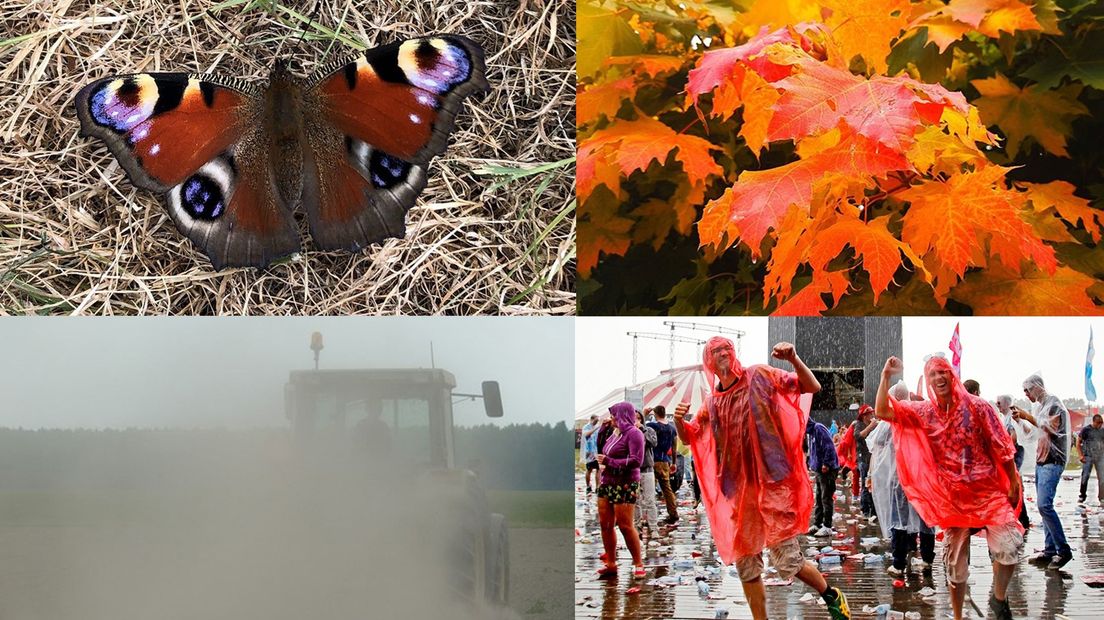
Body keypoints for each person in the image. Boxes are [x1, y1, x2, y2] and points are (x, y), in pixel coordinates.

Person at [673, 337, 851, 620]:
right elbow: (692, 437)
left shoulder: (760, 375)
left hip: (773, 484)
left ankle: (830, 594)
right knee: (747, 564)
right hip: (738, 491)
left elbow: (811, 387)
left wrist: (793, 359)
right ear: (709, 362)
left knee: (788, 561)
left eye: (727, 348)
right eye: (716, 351)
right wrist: (679, 422)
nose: (724, 353)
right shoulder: (712, 403)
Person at [875, 354, 1021, 620]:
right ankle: (956, 616)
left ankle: (998, 600)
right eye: (933, 374)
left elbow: (1002, 444)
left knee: (1009, 547)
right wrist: (886, 376)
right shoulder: (926, 412)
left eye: (943, 372)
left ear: (952, 375)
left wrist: (1012, 480)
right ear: (928, 381)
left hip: (988, 492)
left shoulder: (979, 407)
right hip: (953, 498)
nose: (939, 378)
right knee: (954, 565)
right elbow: (883, 411)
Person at [869, 380, 935, 577]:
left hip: (902, 475)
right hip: (923, 475)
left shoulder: (894, 416)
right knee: (925, 518)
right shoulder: (920, 413)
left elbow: (877, 442)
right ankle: (926, 559)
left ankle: (898, 562)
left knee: (899, 517)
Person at [1017, 373, 1073, 569]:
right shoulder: (1040, 407)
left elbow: (1051, 427)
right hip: (1042, 461)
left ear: (1038, 387)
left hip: (1053, 460)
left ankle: (1063, 551)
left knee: (1044, 505)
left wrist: (1028, 416)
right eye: (1024, 391)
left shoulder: (1054, 404)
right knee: (1043, 507)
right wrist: (1021, 420)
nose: (1026, 394)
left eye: (1028, 390)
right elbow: (1032, 434)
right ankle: (1049, 550)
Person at [596, 402, 645, 578]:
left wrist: (610, 462)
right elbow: (601, 447)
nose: (612, 418)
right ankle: (611, 562)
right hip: (607, 481)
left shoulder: (634, 434)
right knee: (605, 524)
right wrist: (602, 430)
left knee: (625, 525)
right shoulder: (615, 434)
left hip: (625, 483)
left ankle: (638, 563)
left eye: (614, 415)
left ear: (623, 415)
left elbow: (636, 461)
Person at [996, 394, 1034, 529]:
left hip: (1014, 454)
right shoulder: (1006, 418)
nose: (997, 406)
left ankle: (1022, 518)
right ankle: (1021, 517)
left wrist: (1005, 450)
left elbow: (1014, 437)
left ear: (1006, 403)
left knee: (1014, 484)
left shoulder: (1011, 418)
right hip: (1012, 454)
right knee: (1015, 484)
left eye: (999, 403)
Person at [805, 416, 838, 537]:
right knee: (819, 497)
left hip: (827, 470)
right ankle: (818, 523)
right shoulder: (811, 432)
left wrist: (827, 463)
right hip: (819, 469)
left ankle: (827, 526)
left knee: (826, 497)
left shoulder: (818, 428)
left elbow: (829, 446)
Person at [647, 406, 680, 526]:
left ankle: (649, 517)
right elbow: (674, 448)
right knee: (667, 489)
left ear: (655, 414)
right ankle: (673, 513)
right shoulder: (672, 429)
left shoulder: (653, 426)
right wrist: (674, 463)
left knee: (649, 489)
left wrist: (645, 414)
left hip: (653, 461)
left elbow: (641, 429)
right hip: (665, 461)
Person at [634, 409, 659, 537]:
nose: (636, 420)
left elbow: (653, 443)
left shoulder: (648, 430)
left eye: (639, 418)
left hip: (647, 469)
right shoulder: (628, 433)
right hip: (633, 470)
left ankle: (653, 527)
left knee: (650, 500)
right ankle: (637, 526)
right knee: (635, 500)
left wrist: (642, 430)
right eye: (634, 418)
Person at [854, 405, 877, 519]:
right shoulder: (859, 425)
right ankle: (865, 510)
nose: (872, 415)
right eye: (869, 414)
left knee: (873, 485)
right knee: (865, 484)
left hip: (873, 459)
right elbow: (858, 436)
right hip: (863, 459)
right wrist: (871, 427)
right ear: (864, 416)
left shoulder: (873, 425)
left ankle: (873, 511)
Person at [1076, 414, 1104, 505]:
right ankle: (1082, 495)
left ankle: (1102, 497)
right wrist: (1080, 455)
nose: (1100, 425)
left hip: (1100, 457)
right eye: (1098, 423)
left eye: (1101, 423)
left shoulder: (1102, 431)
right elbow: (1078, 441)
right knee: (1085, 476)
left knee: (1102, 477)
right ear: (1093, 422)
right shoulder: (1086, 430)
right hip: (1088, 456)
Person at [581, 414, 600, 495]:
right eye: (596, 420)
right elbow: (585, 435)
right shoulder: (586, 427)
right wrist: (594, 429)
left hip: (596, 452)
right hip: (589, 452)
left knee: (598, 469)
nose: (597, 422)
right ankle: (588, 486)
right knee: (589, 469)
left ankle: (598, 487)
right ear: (592, 419)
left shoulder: (598, 427)